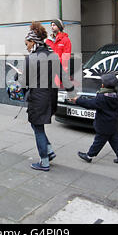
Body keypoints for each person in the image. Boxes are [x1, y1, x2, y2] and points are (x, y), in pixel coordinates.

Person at [19, 21, 74, 171]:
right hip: (50, 98)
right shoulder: (54, 56)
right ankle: (49, 151)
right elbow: (63, 76)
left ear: (33, 42)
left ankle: (44, 162)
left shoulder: (30, 59)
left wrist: (22, 90)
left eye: (27, 44)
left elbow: (24, 84)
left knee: (38, 128)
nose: (27, 47)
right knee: (37, 126)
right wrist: (72, 92)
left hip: (37, 99)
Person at [69, 73, 118, 164]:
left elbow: (90, 104)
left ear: (103, 85)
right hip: (113, 123)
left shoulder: (102, 97)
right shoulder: (116, 95)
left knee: (98, 141)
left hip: (104, 124)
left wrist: (77, 100)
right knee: (115, 141)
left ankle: (89, 155)